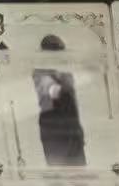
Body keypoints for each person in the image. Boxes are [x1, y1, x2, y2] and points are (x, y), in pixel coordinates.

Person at [33, 34, 86, 167]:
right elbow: (54, 91)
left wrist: (78, 130)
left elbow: (72, 100)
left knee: (79, 170)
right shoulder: (40, 72)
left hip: (70, 124)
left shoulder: (65, 72)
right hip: (52, 124)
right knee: (59, 170)